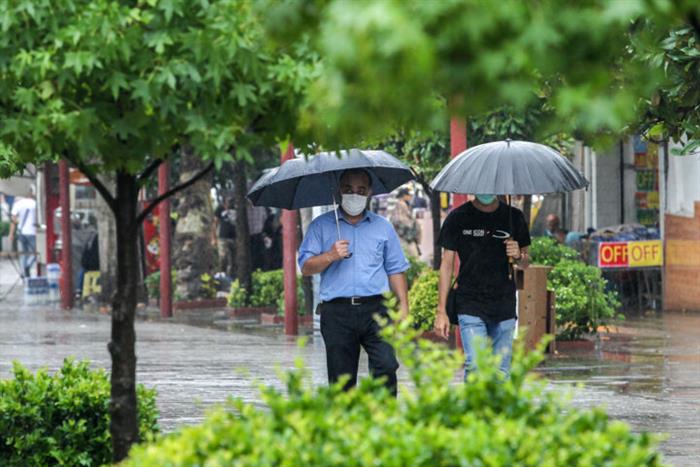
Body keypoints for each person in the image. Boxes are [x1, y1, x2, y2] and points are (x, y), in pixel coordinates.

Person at [298, 169, 410, 396]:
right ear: (339, 191)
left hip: (377, 309)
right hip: (337, 312)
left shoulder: (383, 227)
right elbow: (306, 267)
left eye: (361, 190)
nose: (354, 195)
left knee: (387, 366)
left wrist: (404, 308)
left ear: (369, 192)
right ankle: (347, 427)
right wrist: (330, 255)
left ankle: (383, 422)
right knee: (342, 381)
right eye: (348, 189)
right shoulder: (321, 226)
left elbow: (396, 269)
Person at [433, 194, 531, 378]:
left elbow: (526, 263)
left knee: (501, 370)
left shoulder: (514, 217)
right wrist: (441, 311)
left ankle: (497, 407)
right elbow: (446, 265)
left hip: (504, 302)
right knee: (475, 365)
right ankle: (474, 407)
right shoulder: (457, 217)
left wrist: (518, 255)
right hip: (470, 301)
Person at [9, 188, 37, 278]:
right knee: (34, 253)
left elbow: (13, 221)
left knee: (23, 254)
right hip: (32, 232)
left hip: (21, 232)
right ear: (31, 193)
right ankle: (27, 266)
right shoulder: (34, 203)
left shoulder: (18, 204)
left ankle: (23, 272)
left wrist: (11, 234)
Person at [390, 187, 421, 257]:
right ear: (404, 195)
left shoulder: (402, 203)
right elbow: (400, 220)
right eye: (409, 195)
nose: (410, 196)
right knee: (411, 255)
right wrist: (412, 223)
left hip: (403, 236)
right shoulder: (401, 204)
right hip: (405, 236)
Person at [214, 197, 236, 277]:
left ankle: (231, 277)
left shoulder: (236, 208)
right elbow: (215, 223)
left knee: (233, 260)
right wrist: (213, 237)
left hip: (234, 237)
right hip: (223, 237)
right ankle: (221, 275)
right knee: (223, 257)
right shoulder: (220, 208)